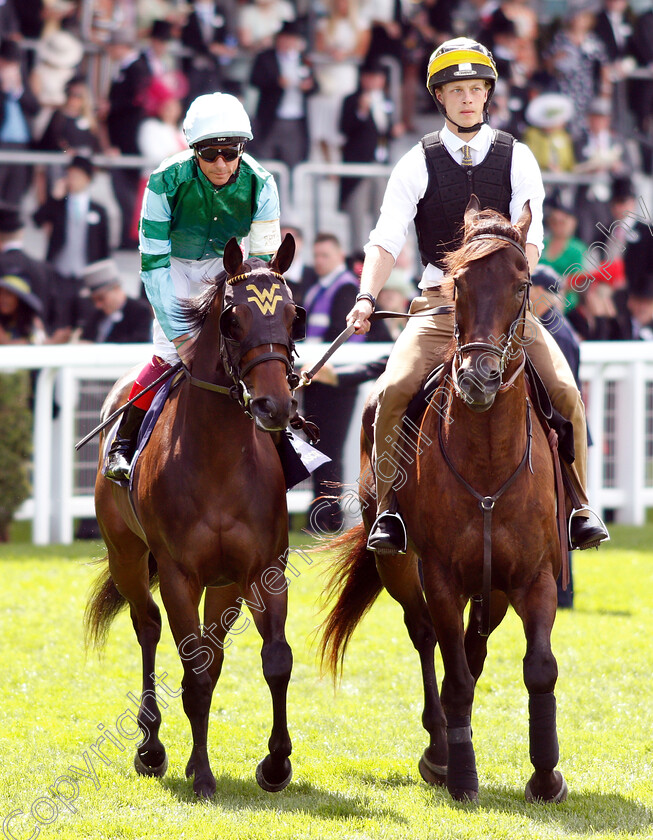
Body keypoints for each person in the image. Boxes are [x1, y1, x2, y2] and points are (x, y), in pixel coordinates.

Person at [345, 37, 609, 555]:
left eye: (476, 89)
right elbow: (385, 239)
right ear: (439, 97)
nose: (467, 99)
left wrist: (512, 289)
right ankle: (389, 513)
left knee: (566, 395)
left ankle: (579, 504)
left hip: (506, 314)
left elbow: (529, 241)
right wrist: (364, 297)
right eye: (456, 90)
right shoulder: (415, 162)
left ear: (488, 94)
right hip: (438, 308)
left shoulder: (519, 155)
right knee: (392, 392)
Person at [104, 91, 282, 481]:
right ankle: (123, 442)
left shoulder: (262, 183)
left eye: (230, 152)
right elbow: (151, 264)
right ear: (193, 150)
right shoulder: (163, 180)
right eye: (209, 153)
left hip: (232, 268)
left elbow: (266, 263)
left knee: (255, 352)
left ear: (242, 148)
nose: (220, 163)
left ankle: (284, 444)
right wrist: (183, 337)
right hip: (173, 268)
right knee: (168, 353)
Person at [302, 232, 365, 532]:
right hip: (315, 381)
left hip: (336, 384)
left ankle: (328, 519)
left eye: (325, 255)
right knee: (317, 451)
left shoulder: (346, 290)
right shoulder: (318, 290)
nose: (319, 261)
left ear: (339, 257)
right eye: (316, 256)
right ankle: (321, 516)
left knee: (329, 451)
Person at [33, 154, 111, 330]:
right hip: (60, 272)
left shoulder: (99, 210)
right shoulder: (59, 205)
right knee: (59, 319)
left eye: (77, 175)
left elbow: (104, 247)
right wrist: (54, 198)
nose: (72, 179)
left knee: (86, 320)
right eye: (69, 175)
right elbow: (37, 220)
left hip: (87, 274)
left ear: (88, 178)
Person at [249, 21, 317, 169]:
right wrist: (276, 82)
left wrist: (308, 86)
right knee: (265, 160)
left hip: (295, 119)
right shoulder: (266, 57)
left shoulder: (303, 59)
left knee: (293, 161)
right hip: (271, 117)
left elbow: (315, 86)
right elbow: (255, 79)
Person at [79, 258, 153, 343]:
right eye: (93, 300)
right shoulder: (96, 314)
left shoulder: (139, 311)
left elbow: (138, 342)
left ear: (116, 289)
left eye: (101, 298)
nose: (98, 305)